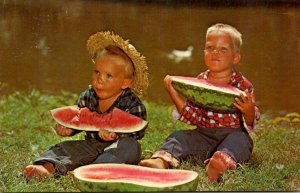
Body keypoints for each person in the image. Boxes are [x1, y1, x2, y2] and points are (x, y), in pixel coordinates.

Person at [139, 23, 260, 182]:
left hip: (232, 133)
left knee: (242, 141)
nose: (215, 52)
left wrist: (248, 110)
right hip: (203, 135)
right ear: (204, 52)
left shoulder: (244, 86)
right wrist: (172, 92)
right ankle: (161, 161)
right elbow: (192, 117)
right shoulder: (198, 82)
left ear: (236, 57)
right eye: (210, 47)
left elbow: (250, 124)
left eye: (223, 49)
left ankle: (219, 163)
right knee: (179, 136)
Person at [23, 31, 149, 179]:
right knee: (66, 148)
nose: (99, 80)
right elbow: (79, 120)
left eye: (108, 75)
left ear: (125, 82)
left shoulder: (132, 103)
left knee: (129, 147)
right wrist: (69, 129)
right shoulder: (87, 97)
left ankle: (95, 170)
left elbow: (139, 131)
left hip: (120, 146)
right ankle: (47, 167)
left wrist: (117, 133)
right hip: (91, 145)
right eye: (97, 72)